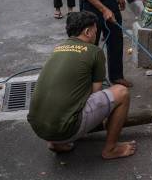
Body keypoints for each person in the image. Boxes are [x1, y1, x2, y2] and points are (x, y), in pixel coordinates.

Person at [27, 11, 135, 159]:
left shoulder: (58, 48)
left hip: (38, 127)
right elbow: (95, 93)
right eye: (96, 31)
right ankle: (110, 149)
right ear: (88, 32)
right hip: (66, 129)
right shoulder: (95, 52)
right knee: (121, 92)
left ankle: (56, 143)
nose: (96, 35)